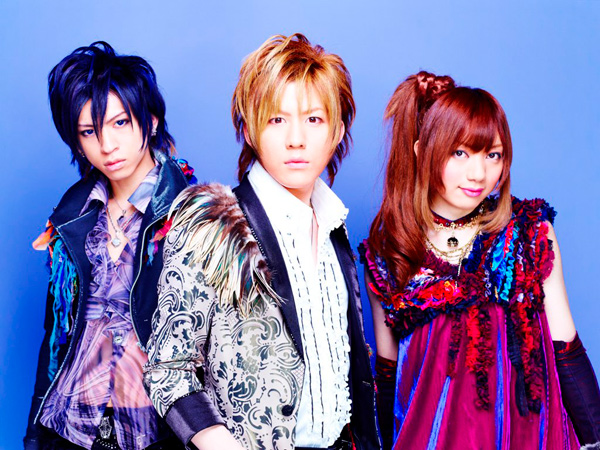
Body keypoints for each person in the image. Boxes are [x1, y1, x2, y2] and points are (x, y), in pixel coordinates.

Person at [143, 33, 380, 450]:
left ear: (338, 130)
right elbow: (168, 368)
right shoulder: (213, 224)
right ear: (251, 128)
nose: (296, 139)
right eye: (276, 119)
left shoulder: (334, 228)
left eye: (314, 119)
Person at [361, 71, 600, 449]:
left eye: (492, 155)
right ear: (423, 151)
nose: (479, 173)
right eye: (460, 153)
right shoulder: (389, 253)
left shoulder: (528, 234)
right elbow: (389, 378)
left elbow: (566, 348)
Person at [24, 42, 194, 450]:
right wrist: (33, 436)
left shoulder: (192, 213)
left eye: (120, 123)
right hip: (67, 430)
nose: (107, 144)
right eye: (89, 131)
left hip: (153, 434)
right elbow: (56, 336)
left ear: (150, 120)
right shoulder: (71, 216)